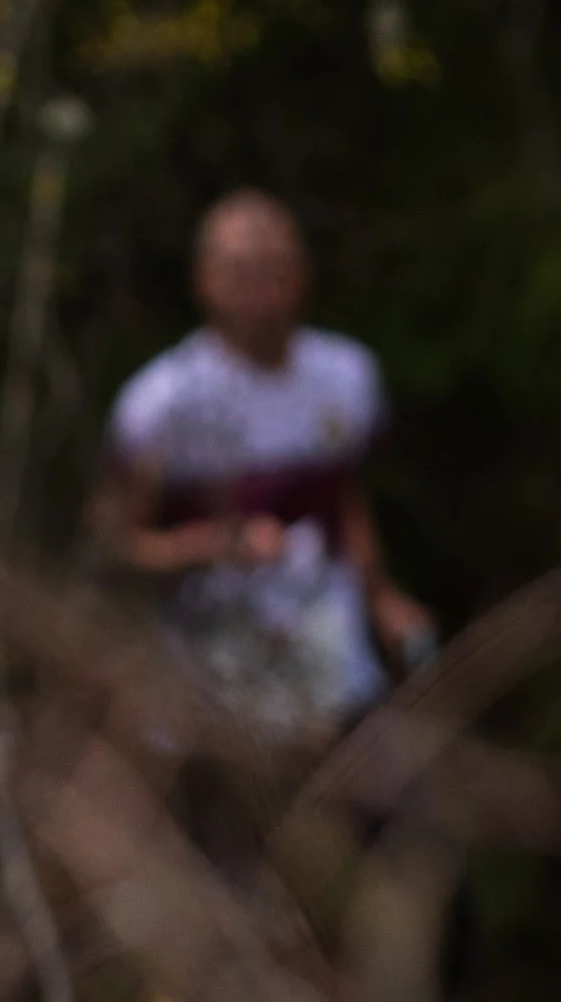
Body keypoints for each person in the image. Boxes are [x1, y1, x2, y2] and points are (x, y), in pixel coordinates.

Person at [98, 190, 432, 744]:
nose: (263, 293)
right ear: (203, 281)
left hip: (332, 671)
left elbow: (344, 499)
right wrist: (212, 544)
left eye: (277, 270)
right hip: (211, 686)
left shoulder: (347, 377)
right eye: (241, 273)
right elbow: (113, 542)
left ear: (304, 274)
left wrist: (381, 597)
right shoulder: (162, 405)